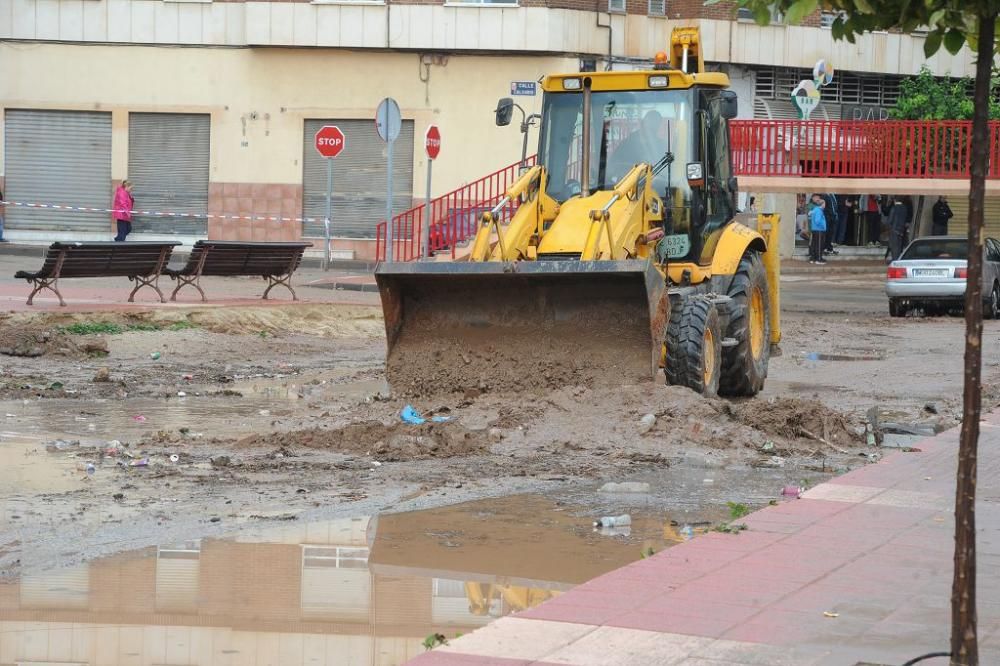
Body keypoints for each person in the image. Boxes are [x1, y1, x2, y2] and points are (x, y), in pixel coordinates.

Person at [887, 197, 909, 261]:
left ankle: (895, 261)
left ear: (895, 200)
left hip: (894, 230)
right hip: (901, 230)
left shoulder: (894, 208)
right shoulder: (904, 208)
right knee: (899, 247)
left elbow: (890, 220)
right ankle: (898, 260)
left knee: (894, 247)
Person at [808, 194, 827, 265]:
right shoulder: (819, 210)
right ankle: (818, 259)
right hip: (819, 230)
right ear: (822, 204)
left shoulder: (815, 210)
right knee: (819, 245)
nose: (825, 205)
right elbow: (817, 220)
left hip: (815, 229)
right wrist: (823, 226)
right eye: (824, 203)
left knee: (814, 244)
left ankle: (813, 258)